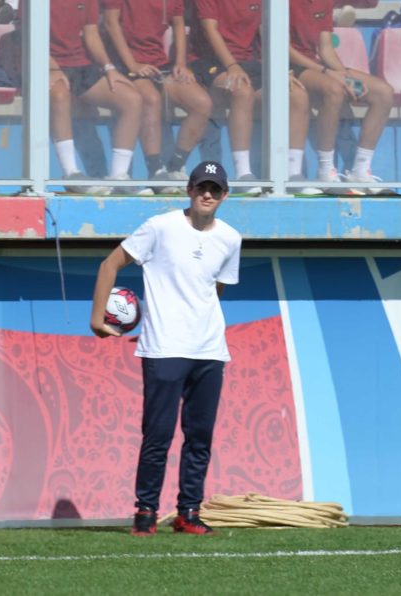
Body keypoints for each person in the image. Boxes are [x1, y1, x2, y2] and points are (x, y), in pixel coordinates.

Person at [89, 160, 241, 537]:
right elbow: (110, 264)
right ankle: (145, 511)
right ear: (189, 190)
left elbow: (215, 290)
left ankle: (188, 512)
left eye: (215, 189)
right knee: (157, 436)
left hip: (210, 350)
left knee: (200, 437)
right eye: (201, 187)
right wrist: (96, 317)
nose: (207, 194)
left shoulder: (230, 238)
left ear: (225, 195)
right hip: (164, 348)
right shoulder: (161, 226)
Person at [190, 0, 309, 195]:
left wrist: (281, 68)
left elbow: (266, 29)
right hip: (211, 63)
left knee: (296, 93)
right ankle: (244, 173)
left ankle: (294, 173)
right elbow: (211, 31)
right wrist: (232, 65)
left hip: (250, 63)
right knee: (241, 89)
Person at [101, 0, 213, 191]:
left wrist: (181, 62)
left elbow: (178, 24)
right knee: (151, 98)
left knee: (202, 103)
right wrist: (132, 64)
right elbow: (110, 23)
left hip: (158, 64)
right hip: (126, 64)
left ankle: (174, 167)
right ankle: (155, 170)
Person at [287, 0, 394, 195]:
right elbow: (283, 49)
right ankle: (326, 170)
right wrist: (331, 75)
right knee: (334, 90)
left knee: (383, 93)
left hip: (315, 65)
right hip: (290, 66)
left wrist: (345, 74)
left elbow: (325, 47)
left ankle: (360, 170)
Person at [45, 0, 143, 194]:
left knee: (132, 99)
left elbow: (91, 33)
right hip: (45, 63)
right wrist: (52, 68)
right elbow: (30, 32)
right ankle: (71, 173)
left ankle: (118, 177)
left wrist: (109, 68)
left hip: (81, 66)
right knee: (59, 93)